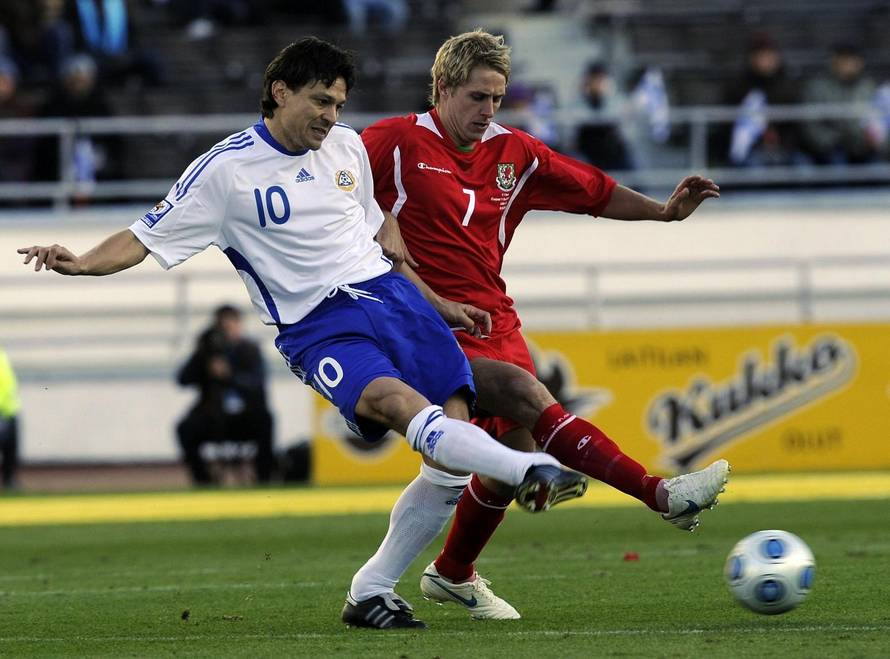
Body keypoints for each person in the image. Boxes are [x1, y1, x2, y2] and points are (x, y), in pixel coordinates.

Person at [17, 36, 586, 629]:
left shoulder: (346, 148)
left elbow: (378, 241)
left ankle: (371, 590)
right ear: (280, 92)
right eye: (320, 101)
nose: (331, 117)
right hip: (317, 323)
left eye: (339, 104)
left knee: (453, 441)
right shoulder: (225, 170)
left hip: (393, 301)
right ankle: (527, 470)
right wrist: (80, 261)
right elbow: (142, 237)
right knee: (397, 405)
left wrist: (437, 302)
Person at [359, 29, 731, 620]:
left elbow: (594, 192)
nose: (487, 111)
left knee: (511, 451)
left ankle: (452, 573)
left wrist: (663, 212)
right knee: (527, 399)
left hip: (494, 318)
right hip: (424, 319)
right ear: (442, 88)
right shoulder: (392, 143)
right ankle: (661, 493)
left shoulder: (517, 153)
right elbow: (332, 187)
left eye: (496, 100)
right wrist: (375, 220)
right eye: (476, 97)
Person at [175, 304, 274, 485]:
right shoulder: (208, 353)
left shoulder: (249, 350)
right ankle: (203, 480)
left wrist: (230, 376)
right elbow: (183, 379)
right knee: (185, 429)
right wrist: (201, 354)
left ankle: (264, 478)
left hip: (246, 415)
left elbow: (257, 385)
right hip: (213, 414)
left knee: (265, 420)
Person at [801, 43, 880, 165]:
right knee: (837, 163)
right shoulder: (818, 87)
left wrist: (873, 140)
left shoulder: (868, 87)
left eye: (853, 59)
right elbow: (812, 125)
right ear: (834, 61)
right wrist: (835, 141)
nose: (849, 64)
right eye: (845, 59)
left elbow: (879, 120)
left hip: (863, 147)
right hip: (831, 148)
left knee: (879, 165)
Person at [0, 348, 21, 490]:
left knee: (10, 451)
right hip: (4, 411)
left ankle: (9, 481)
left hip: (10, 410)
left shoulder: (2, 355)